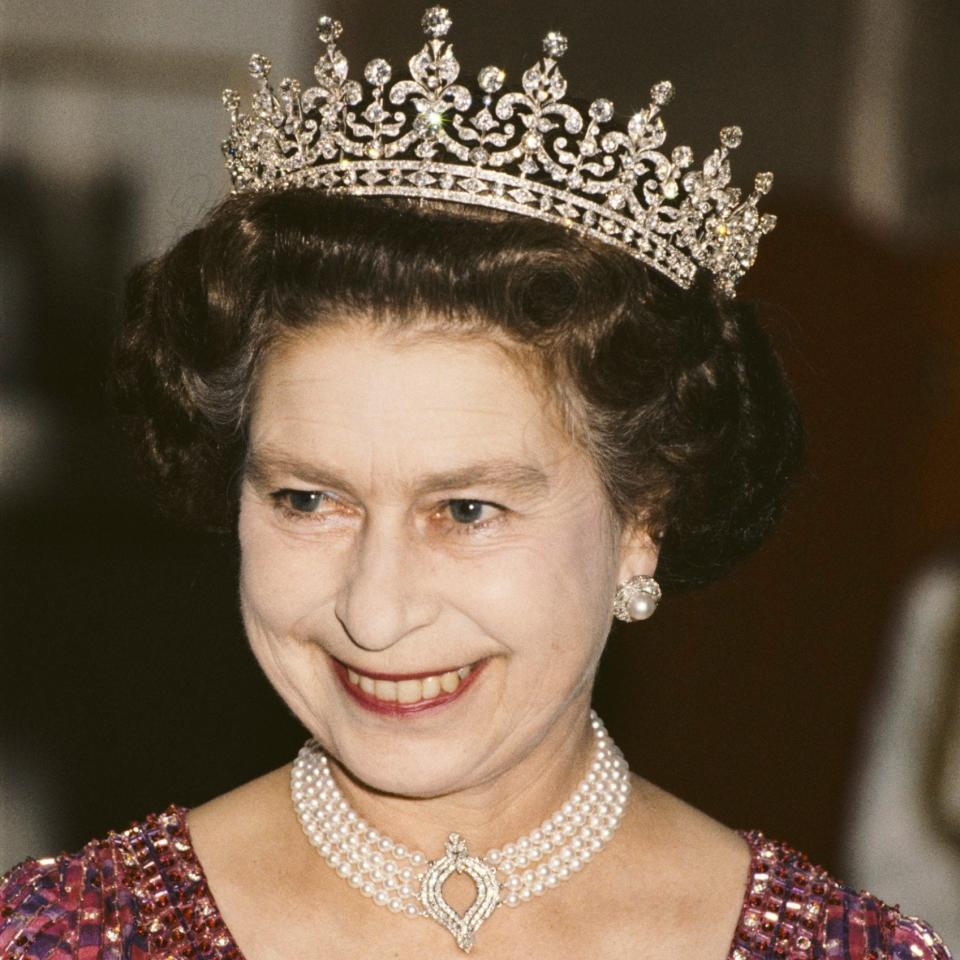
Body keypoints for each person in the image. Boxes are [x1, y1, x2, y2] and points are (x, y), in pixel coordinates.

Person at [0, 7, 952, 959]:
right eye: (306, 499)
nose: (374, 614)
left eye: (465, 509)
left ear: (642, 521)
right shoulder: (66, 937)